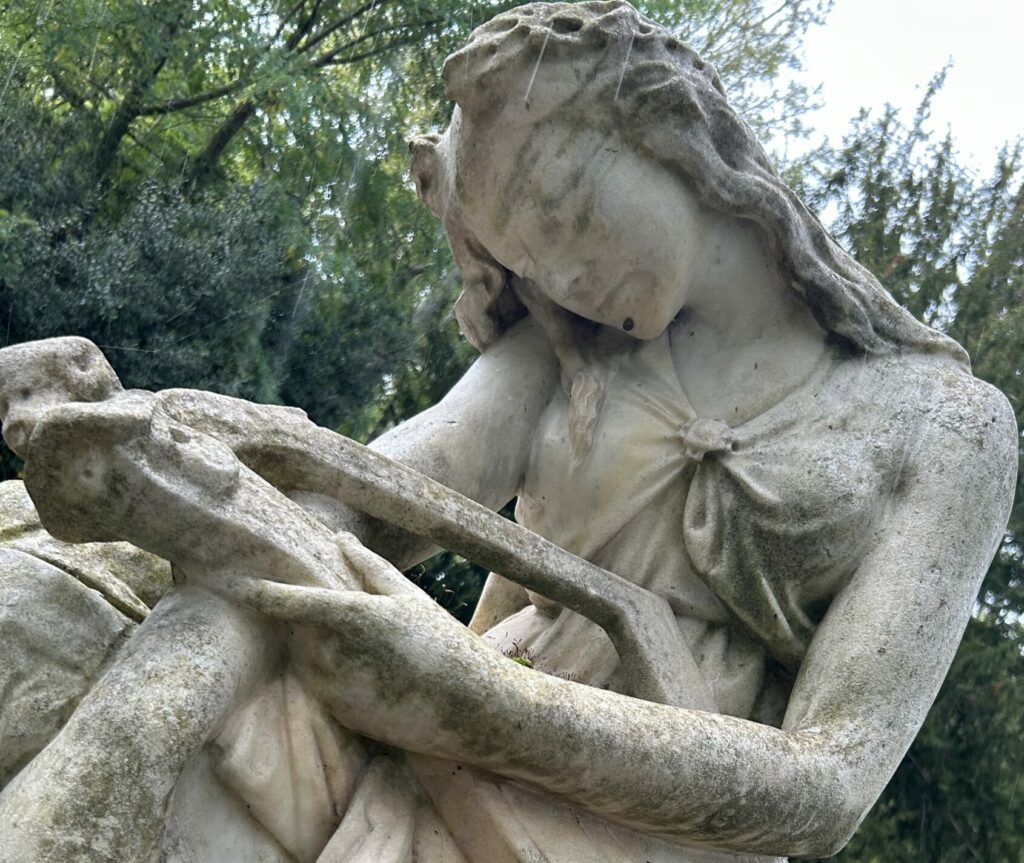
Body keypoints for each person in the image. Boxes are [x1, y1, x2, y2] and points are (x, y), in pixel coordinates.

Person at [0, 3, 1015, 861]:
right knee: (51, 584)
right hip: (419, 695)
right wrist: (161, 442)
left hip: (622, 813)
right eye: (529, 259)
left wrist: (476, 699)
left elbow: (829, 779)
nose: (565, 281)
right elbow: (397, 475)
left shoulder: (943, 423)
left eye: (567, 209)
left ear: (668, 133)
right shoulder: (568, 349)